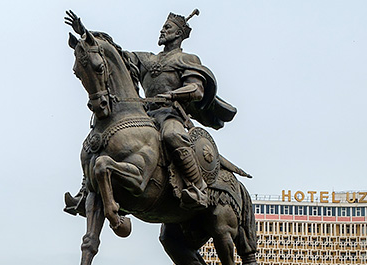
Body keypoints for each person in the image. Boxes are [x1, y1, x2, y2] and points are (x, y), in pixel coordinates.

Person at [64, 10, 237, 214]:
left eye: (168, 28)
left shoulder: (187, 58)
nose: (162, 30)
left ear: (179, 34)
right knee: (98, 139)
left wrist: (173, 95)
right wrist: (85, 33)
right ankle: (87, 190)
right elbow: (114, 53)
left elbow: (197, 90)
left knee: (172, 135)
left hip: (171, 114)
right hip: (145, 115)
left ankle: (197, 187)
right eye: (163, 27)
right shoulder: (146, 58)